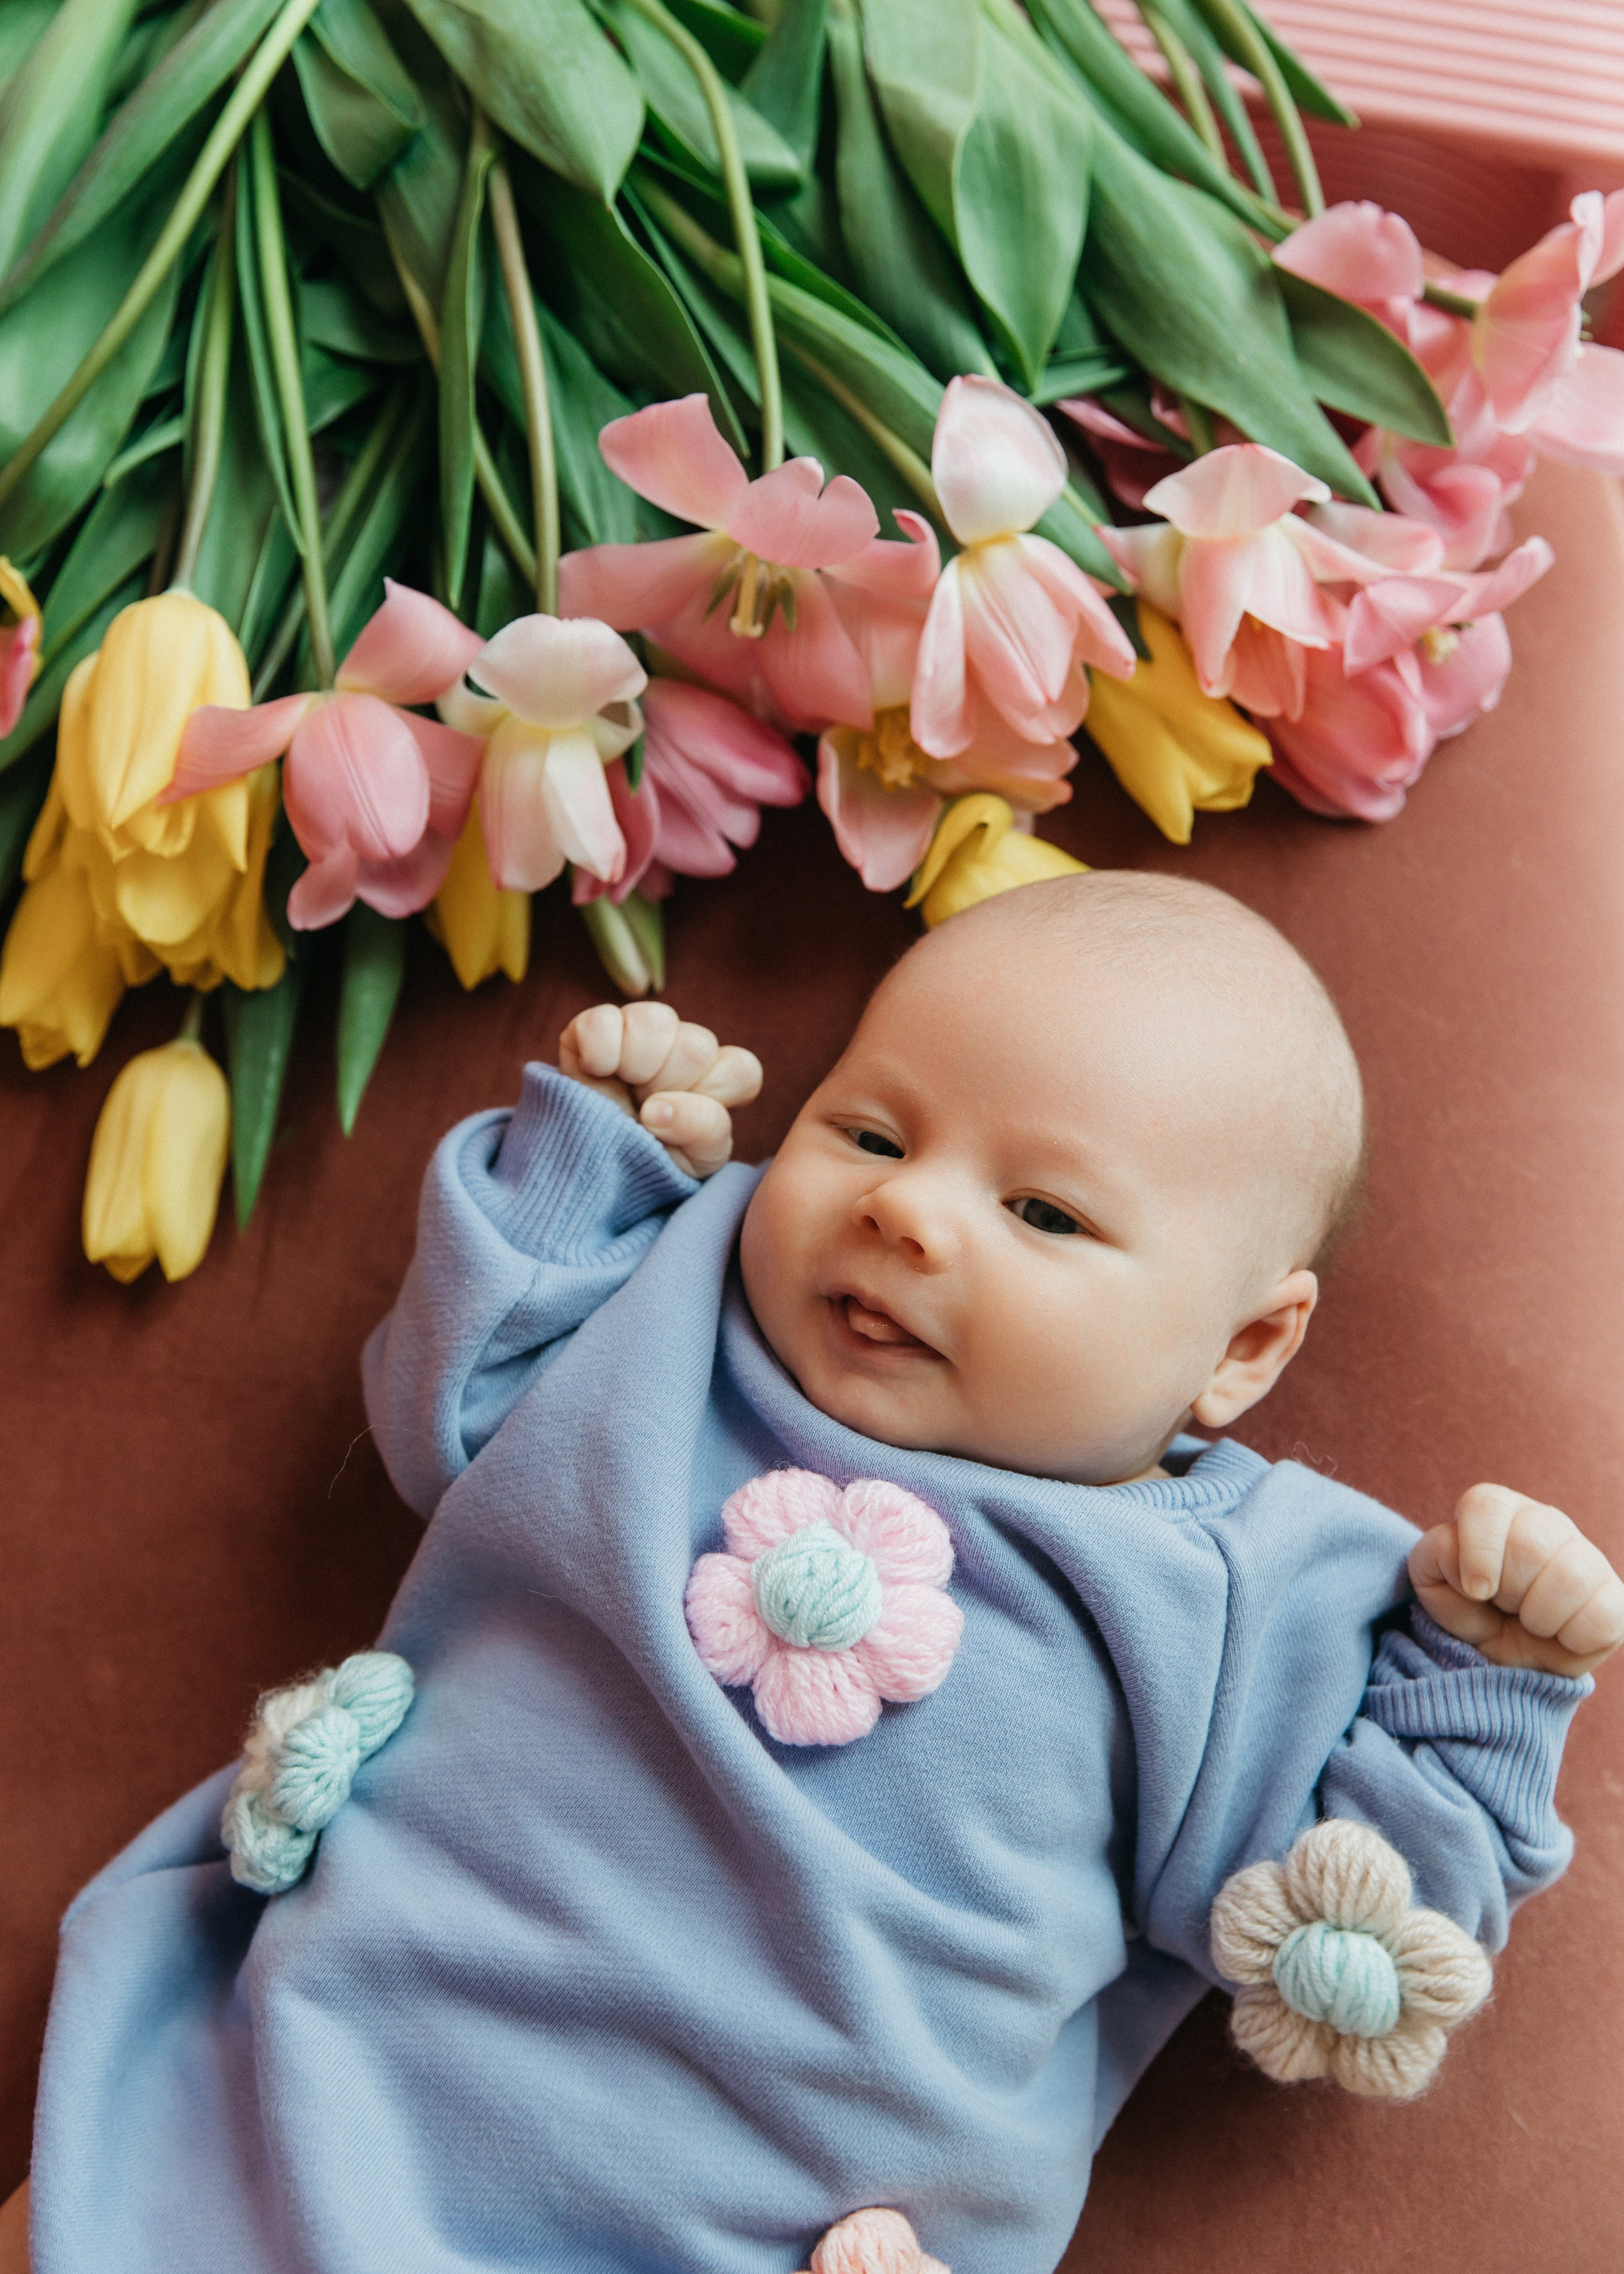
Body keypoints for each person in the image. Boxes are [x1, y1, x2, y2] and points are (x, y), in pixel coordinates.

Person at [13, 873, 1622, 2273]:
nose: (905, 1210)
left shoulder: (1229, 1589)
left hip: (751, 2224)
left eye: (1043, 1210)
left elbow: (1347, 1923)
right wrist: (593, 1165)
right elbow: (448, 1406)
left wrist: (1484, 1672)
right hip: (326, 2074)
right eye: (865, 1129)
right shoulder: (679, 1306)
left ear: (1242, 1347)